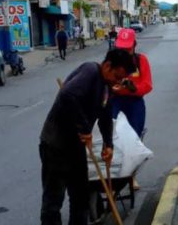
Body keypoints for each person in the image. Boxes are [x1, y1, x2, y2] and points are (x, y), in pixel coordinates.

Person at [39, 49, 136, 225]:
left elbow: (105, 116)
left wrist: (108, 144)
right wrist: (84, 128)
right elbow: (67, 95)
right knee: (53, 202)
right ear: (107, 65)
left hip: (75, 148)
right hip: (55, 145)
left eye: (121, 79)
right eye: (116, 75)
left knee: (80, 198)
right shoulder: (90, 72)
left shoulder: (107, 87)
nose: (118, 81)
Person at [111, 28, 153, 138]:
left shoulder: (141, 60)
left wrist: (132, 88)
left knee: (135, 134)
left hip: (134, 101)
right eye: (121, 49)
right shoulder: (111, 62)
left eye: (127, 49)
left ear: (134, 45)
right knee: (111, 131)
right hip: (116, 100)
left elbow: (147, 85)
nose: (124, 53)